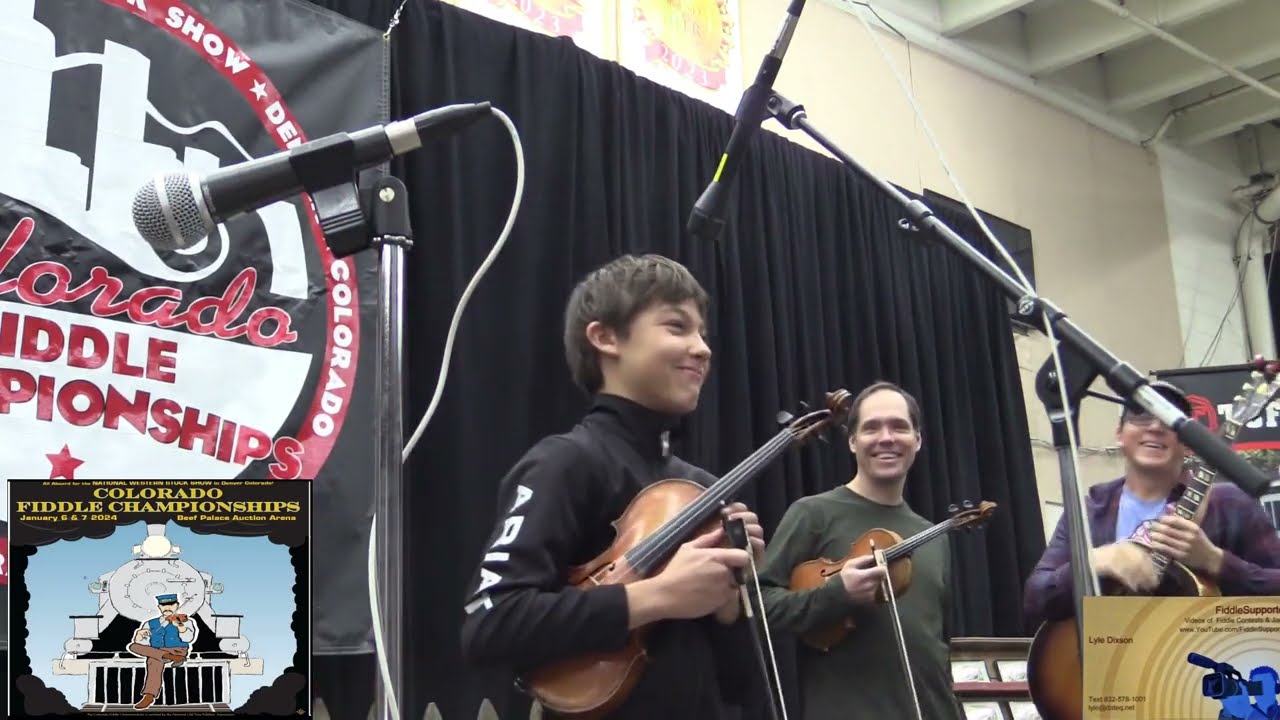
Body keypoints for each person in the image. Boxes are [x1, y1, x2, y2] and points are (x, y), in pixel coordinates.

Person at [460, 254, 767, 719]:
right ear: (605, 338)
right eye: (676, 326)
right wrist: (658, 596)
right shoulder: (564, 462)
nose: (702, 347)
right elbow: (490, 623)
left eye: (703, 333)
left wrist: (729, 604)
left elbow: (740, 682)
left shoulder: (702, 488)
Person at [757, 381, 965, 720]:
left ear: (918, 440)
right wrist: (837, 593)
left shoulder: (932, 535)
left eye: (899, 426)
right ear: (853, 442)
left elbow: (936, 649)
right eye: (871, 428)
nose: (886, 438)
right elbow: (757, 608)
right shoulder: (813, 514)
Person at [1024, 380, 1280, 630]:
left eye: (1171, 420)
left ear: (1188, 444)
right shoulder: (1089, 510)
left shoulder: (1232, 504)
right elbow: (1034, 599)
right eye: (1141, 415)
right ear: (1119, 434)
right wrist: (1095, 561)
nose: (1156, 426)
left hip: (1201, 662)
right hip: (1105, 661)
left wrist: (1216, 561)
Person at [129, 593, 196, 709]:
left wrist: (179, 625)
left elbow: (188, 638)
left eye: (171, 605)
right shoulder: (149, 623)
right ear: (159, 607)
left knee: (153, 660)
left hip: (177, 650)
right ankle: (168, 657)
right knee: (133, 646)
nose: (167, 608)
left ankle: (149, 696)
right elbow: (144, 644)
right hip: (158, 650)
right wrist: (139, 636)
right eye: (164, 606)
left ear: (177, 605)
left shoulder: (185, 621)